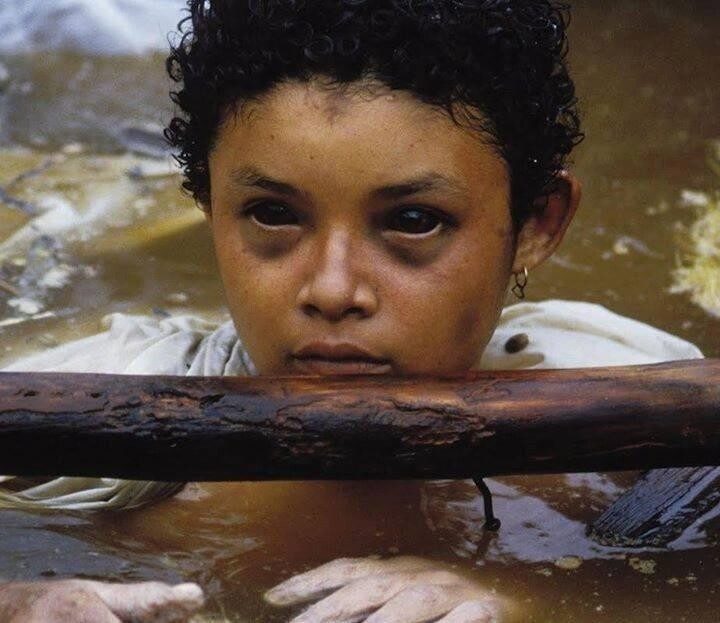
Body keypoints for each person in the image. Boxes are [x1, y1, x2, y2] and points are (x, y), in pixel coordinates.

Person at [0, 0, 703, 621]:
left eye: (414, 220)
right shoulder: (77, 427)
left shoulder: (644, 424)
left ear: (536, 224)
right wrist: (18, 601)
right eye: (272, 213)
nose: (332, 290)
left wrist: (529, 598)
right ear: (209, 204)